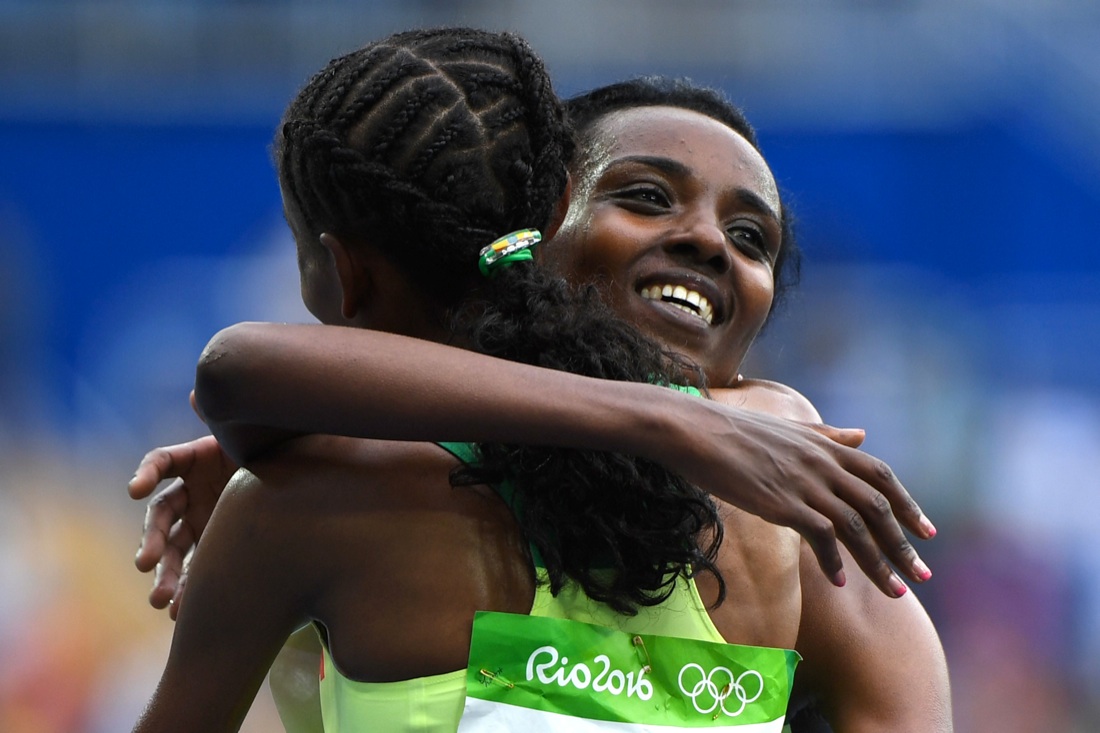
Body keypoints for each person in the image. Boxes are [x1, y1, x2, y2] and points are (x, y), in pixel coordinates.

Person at [132, 72, 950, 732]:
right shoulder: (333, 492)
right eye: (647, 196)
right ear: (535, 227)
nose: (708, 240)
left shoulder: (810, 537)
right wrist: (674, 420)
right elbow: (239, 367)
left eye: (750, 238)